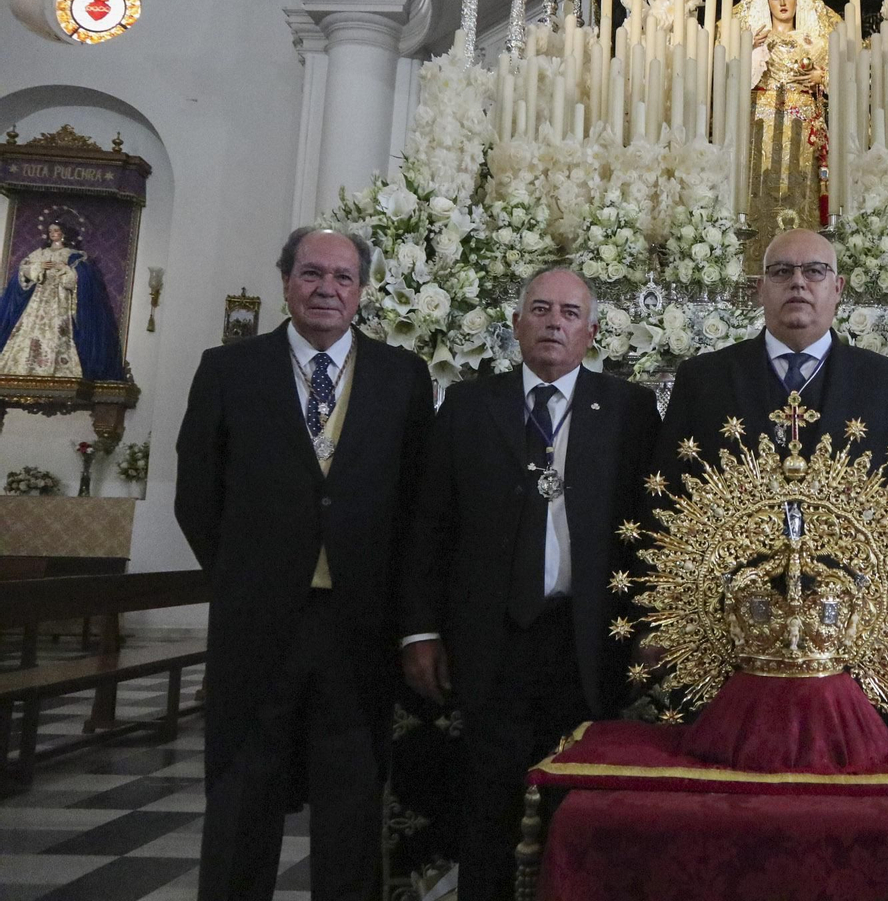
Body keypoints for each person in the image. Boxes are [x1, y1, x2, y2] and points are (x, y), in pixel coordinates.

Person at [175, 227, 434, 901]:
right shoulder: (229, 370)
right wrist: (250, 574)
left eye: (343, 277)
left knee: (352, 799)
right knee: (241, 793)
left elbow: (417, 504)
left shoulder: (401, 376)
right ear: (286, 281)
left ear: (361, 291)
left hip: (359, 624)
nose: (328, 288)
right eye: (313, 273)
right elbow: (197, 495)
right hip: (258, 625)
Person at [399, 267, 661, 901]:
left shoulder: (628, 409)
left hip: (590, 643)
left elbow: (652, 526)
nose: (554, 322)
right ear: (516, 325)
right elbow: (430, 525)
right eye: (540, 310)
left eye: (570, 313)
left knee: (582, 807)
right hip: (492, 640)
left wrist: (655, 623)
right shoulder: (468, 404)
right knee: (488, 807)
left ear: (591, 332)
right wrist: (421, 630)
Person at [656, 228, 888, 494]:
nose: (798, 282)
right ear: (760, 289)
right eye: (781, 271)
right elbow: (667, 492)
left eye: (814, 271)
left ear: (837, 288)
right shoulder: (702, 379)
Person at [741, 0, 837, 248]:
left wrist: (822, 76)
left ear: (798, 1)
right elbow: (733, 79)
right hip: (761, 122)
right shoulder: (755, 40)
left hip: (803, 123)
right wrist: (748, 50)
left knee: (802, 183)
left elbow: (842, 77)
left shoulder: (816, 42)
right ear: (766, 4)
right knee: (760, 182)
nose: (782, 2)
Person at [0, 219, 124, 379]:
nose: (53, 234)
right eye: (51, 231)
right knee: (28, 329)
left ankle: (58, 371)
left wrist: (65, 270)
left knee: (59, 329)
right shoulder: (40, 254)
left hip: (60, 300)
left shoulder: (71, 255)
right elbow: (23, 270)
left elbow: (79, 280)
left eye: (56, 230)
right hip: (38, 299)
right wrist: (38, 267)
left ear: (63, 234)